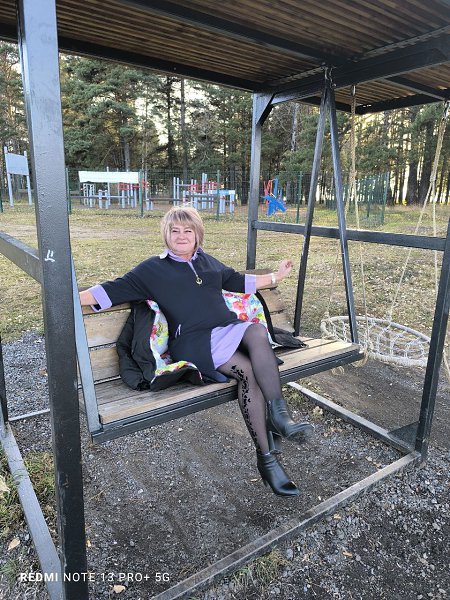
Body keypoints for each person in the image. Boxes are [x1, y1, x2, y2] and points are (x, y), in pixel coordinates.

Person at [79, 206, 314, 497]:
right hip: (194, 342)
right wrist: (67, 295)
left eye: (187, 230)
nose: (181, 236)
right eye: (174, 230)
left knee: (253, 340)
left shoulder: (207, 261)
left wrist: (275, 276)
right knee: (250, 361)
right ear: (166, 235)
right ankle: (271, 444)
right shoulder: (151, 270)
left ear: (197, 234)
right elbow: (110, 290)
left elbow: (238, 281)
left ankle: (274, 434)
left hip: (226, 330)